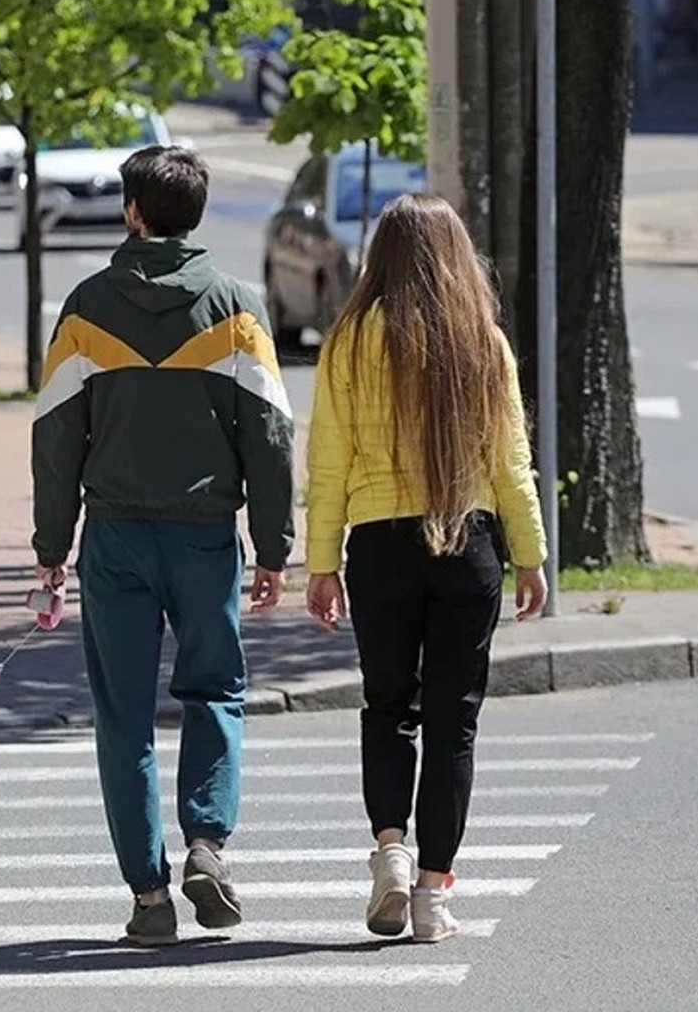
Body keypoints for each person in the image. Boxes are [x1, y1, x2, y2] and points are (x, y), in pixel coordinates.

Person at [31, 145, 295, 946]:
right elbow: (274, 438)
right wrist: (275, 546)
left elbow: (54, 438)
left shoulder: (83, 311)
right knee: (215, 691)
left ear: (133, 212)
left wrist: (52, 546)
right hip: (206, 538)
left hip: (114, 538)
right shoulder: (235, 310)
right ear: (197, 214)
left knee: (123, 717)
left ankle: (149, 899)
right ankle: (207, 844)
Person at [304, 192, 548, 944]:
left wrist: (321, 562)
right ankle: (435, 897)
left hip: (378, 543)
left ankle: (391, 850)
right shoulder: (483, 341)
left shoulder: (349, 340)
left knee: (386, 708)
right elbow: (511, 465)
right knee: (454, 724)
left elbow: (328, 462)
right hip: (468, 542)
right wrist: (532, 556)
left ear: (381, 256)